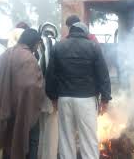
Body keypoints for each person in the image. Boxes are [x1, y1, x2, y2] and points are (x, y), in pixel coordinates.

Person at [46, 22, 112, 159]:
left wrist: (53, 97)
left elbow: (50, 75)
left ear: (71, 32)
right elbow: (103, 75)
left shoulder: (58, 46)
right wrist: (105, 99)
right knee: (88, 140)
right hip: (86, 100)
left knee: (66, 139)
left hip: (64, 99)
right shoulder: (93, 46)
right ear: (85, 33)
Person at [0, 29, 44, 159]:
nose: (37, 48)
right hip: (23, 110)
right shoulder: (29, 59)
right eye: (37, 44)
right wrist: (41, 82)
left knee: (8, 140)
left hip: (5, 108)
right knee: (31, 140)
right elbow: (31, 86)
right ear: (33, 43)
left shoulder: (6, 53)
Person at [36, 22, 59, 159]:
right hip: (52, 90)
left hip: (37, 88)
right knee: (52, 129)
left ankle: (39, 154)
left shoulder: (37, 43)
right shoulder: (58, 44)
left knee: (41, 126)